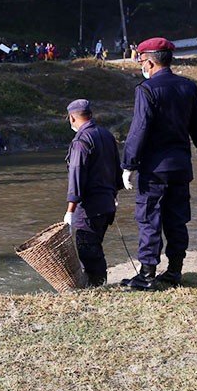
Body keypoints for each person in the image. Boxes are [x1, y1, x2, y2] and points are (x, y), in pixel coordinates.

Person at [120, 37, 197, 290]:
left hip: (154, 170)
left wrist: (128, 165)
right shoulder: (187, 86)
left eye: (141, 61)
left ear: (149, 62)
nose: (141, 66)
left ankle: (147, 275)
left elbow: (139, 129)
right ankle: (174, 272)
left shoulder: (146, 89)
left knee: (149, 219)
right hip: (181, 167)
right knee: (176, 219)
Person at [63, 99, 121, 287]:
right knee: (95, 245)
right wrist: (114, 195)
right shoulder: (106, 135)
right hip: (107, 204)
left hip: (90, 207)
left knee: (87, 247)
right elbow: (116, 169)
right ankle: (98, 283)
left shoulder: (81, 141)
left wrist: (70, 210)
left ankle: (96, 286)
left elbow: (76, 176)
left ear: (72, 118)